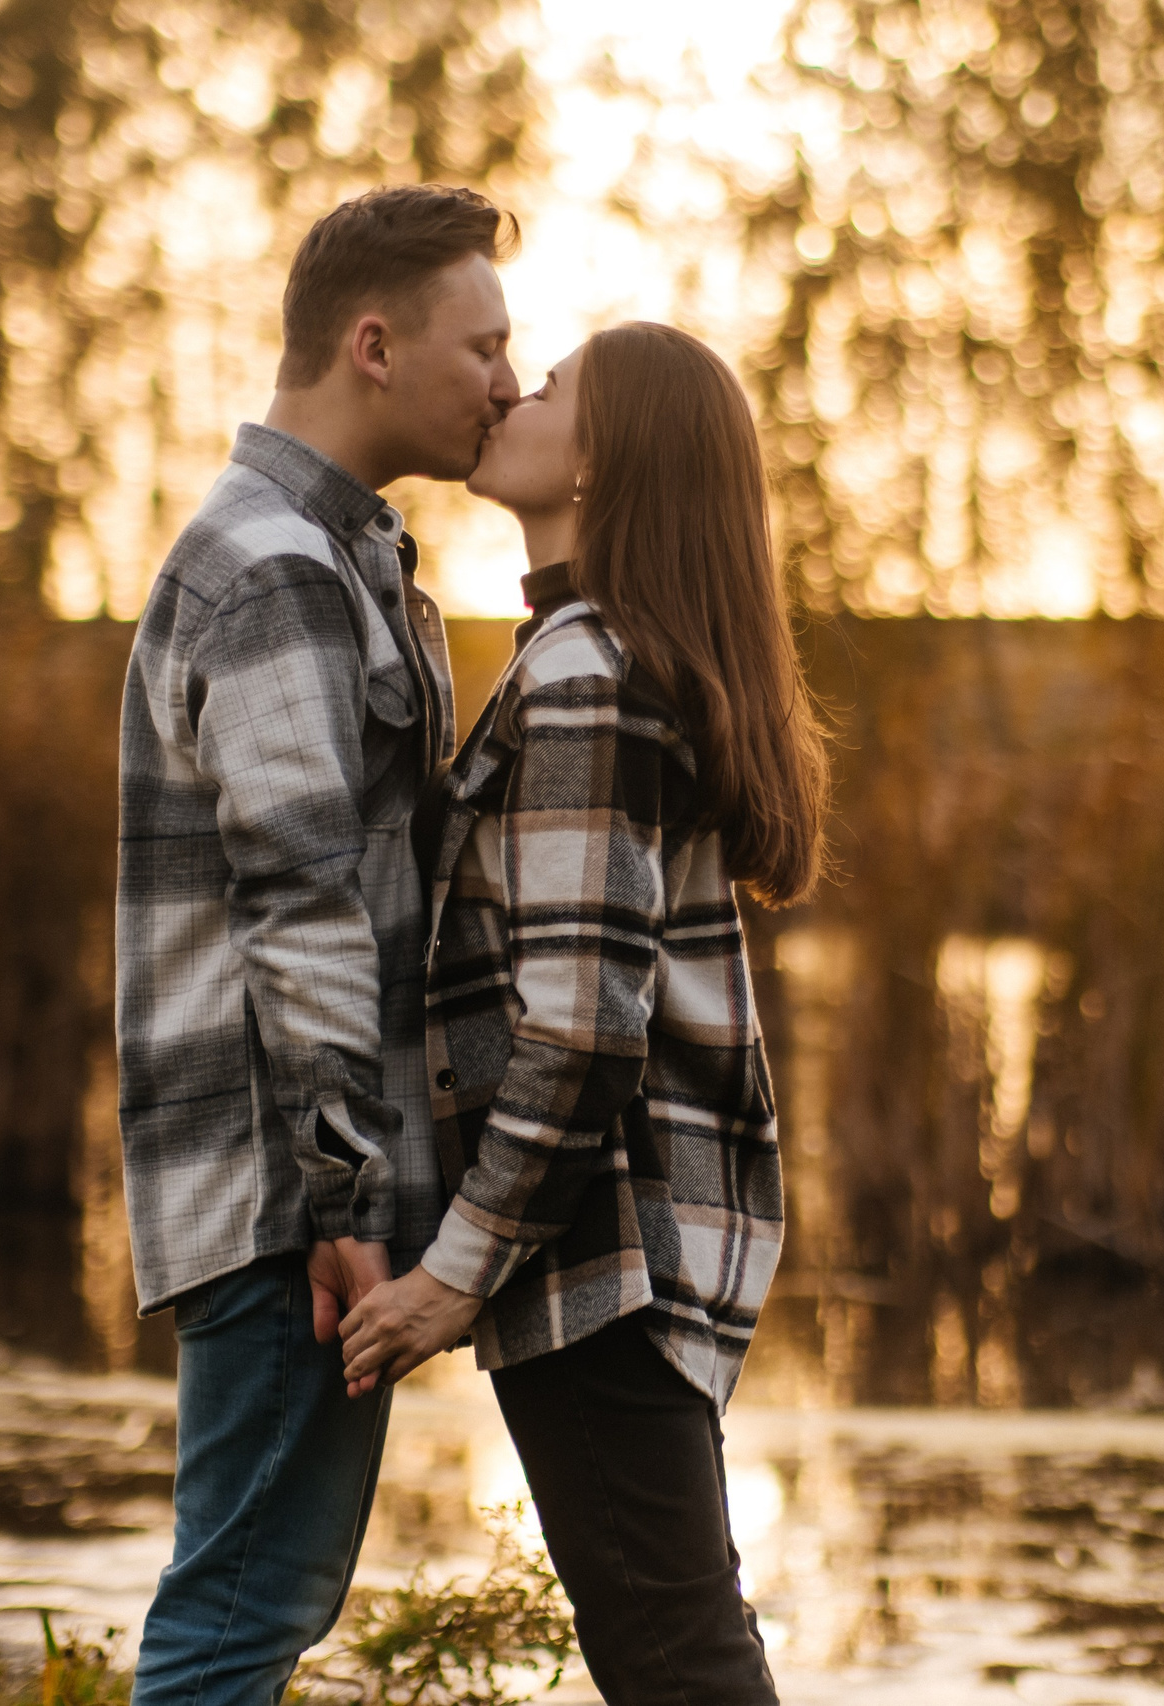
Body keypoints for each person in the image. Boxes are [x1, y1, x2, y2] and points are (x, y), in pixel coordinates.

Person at [339, 322, 830, 1706]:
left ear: (600, 460)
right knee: (680, 1653)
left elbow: (582, 1035)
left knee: (679, 1665)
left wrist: (453, 1273)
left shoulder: (585, 678)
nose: (511, 390)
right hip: (622, 1248)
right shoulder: (590, 657)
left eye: (548, 386)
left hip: (606, 1256)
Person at [113, 183, 520, 1706]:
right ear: (374, 346)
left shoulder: (336, 554)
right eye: (484, 346)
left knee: (254, 1608)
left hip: (289, 1184)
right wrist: (348, 1199)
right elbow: (301, 905)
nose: (506, 381)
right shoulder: (278, 565)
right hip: (289, 1203)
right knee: (238, 1618)